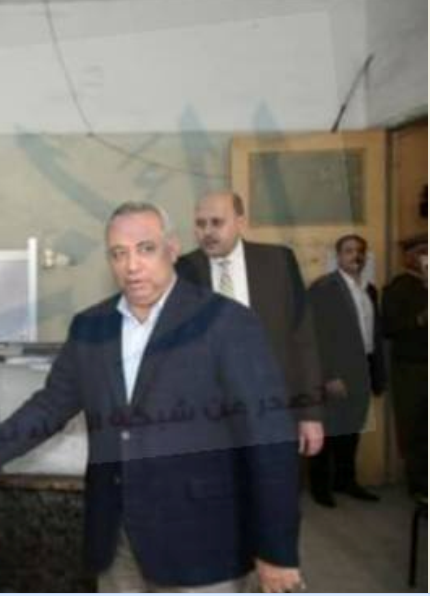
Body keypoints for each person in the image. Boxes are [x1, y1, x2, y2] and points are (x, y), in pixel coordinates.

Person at [0, 202, 302, 592]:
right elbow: (51, 404)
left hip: (203, 540)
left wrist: (277, 550)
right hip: (117, 538)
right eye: (119, 254)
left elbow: (268, 439)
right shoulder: (90, 327)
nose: (131, 265)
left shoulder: (227, 322)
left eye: (145, 249)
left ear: (172, 248)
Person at [176, 191, 324, 457]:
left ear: (241, 222)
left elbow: (304, 341)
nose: (207, 232)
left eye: (217, 222)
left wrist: (310, 414)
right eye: (200, 224)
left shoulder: (279, 262)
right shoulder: (182, 271)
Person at [307, 235, 385, 507]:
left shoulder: (369, 289)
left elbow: (374, 333)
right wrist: (329, 375)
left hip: (362, 368)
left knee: (352, 429)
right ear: (338, 256)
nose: (356, 256)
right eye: (349, 251)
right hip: (337, 370)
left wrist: (376, 373)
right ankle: (320, 488)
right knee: (328, 430)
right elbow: (314, 335)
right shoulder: (324, 287)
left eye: (360, 251)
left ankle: (345, 481)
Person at [382, 233, 427, 496]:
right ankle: (420, 488)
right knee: (415, 427)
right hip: (412, 368)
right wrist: (420, 319)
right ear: (408, 257)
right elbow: (388, 327)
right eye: (421, 251)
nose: (426, 257)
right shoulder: (399, 287)